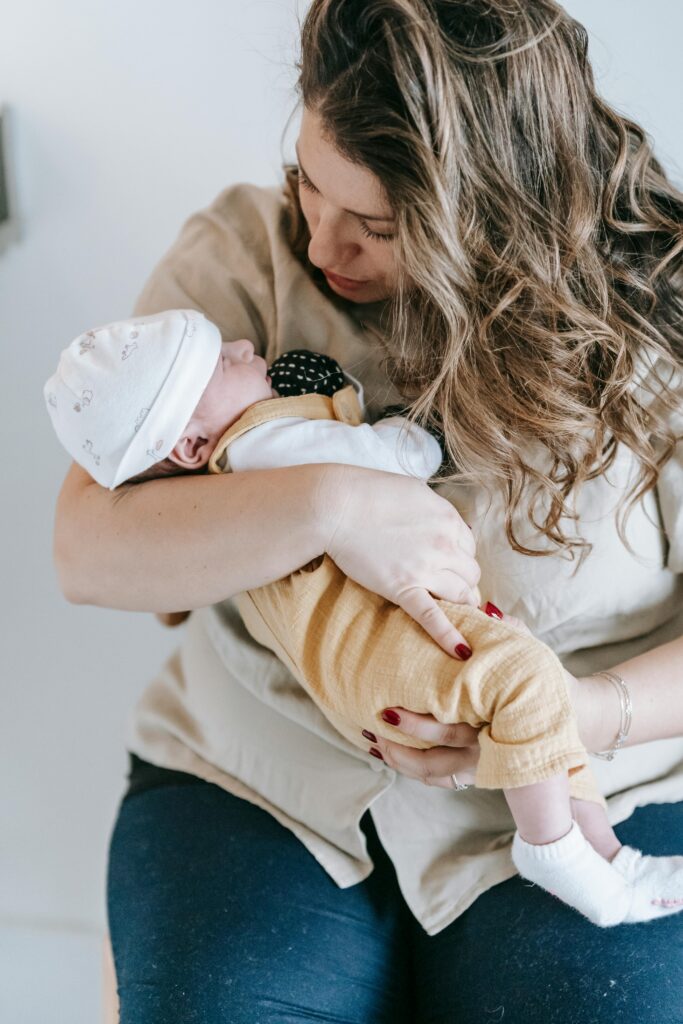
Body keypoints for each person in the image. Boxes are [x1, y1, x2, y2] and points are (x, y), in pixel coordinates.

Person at [52, 0, 683, 1020]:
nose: (319, 241)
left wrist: (570, 715)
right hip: (266, 781)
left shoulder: (655, 308)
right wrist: (331, 503)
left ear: (495, 209)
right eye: (306, 181)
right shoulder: (242, 256)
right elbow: (85, 552)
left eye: (377, 226)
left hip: (596, 787)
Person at [45, 308, 683, 927]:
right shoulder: (265, 439)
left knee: (541, 702)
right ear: (188, 441)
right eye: (221, 359)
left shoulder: (229, 467)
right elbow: (391, 459)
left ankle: (606, 860)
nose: (243, 346)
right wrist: (416, 435)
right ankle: (554, 850)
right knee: (526, 687)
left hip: (373, 671)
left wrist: (598, 709)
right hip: (379, 661)